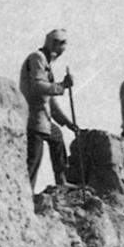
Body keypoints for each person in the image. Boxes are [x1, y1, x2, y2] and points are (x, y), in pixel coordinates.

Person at [20, 29, 78, 189]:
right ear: (55, 45)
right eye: (60, 50)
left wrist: (67, 122)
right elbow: (38, 86)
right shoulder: (37, 58)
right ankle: (26, 192)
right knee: (34, 159)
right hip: (33, 117)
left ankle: (61, 179)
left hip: (43, 118)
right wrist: (62, 86)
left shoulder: (45, 62)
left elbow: (50, 100)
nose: (59, 54)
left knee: (57, 137)